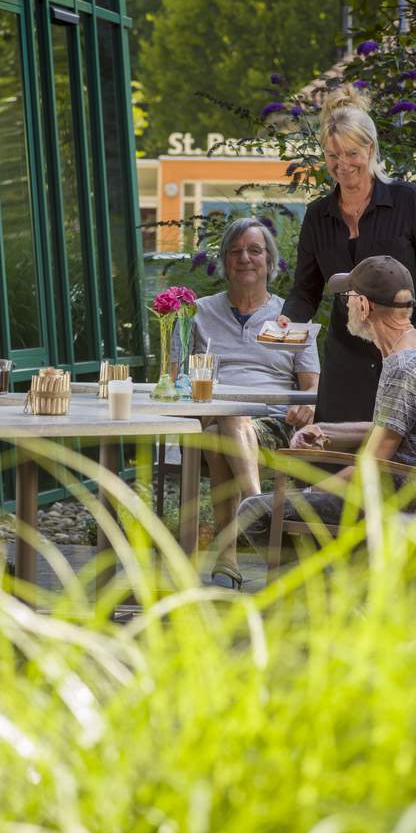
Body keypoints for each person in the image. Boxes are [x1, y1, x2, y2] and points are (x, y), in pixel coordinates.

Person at [241, 255, 416, 551]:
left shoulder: (401, 369)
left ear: (365, 306)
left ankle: (322, 590)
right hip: (412, 489)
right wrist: (327, 431)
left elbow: (373, 463)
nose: (347, 305)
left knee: (254, 512)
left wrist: (314, 491)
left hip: (390, 501)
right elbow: (391, 430)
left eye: (349, 298)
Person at [278, 86, 416, 423]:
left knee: (395, 464)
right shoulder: (318, 215)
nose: (342, 164)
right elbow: (306, 290)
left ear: (370, 150)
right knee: (334, 460)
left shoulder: (406, 200)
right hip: (345, 365)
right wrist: (288, 320)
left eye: (352, 153)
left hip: (408, 361)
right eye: (333, 155)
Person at [185, 216, 320, 589]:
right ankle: (258, 511)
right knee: (221, 423)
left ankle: (231, 548)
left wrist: (307, 407)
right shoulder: (199, 312)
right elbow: (181, 377)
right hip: (211, 419)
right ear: (225, 261)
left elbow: (311, 386)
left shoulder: (290, 319)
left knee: (223, 428)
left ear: (269, 261)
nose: (245, 258)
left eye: (254, 250)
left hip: (274, 425)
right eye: (236, 251)